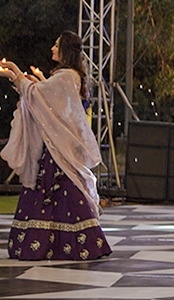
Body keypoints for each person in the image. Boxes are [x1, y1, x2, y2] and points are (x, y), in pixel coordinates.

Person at [1, 32, 110, 261]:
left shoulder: (67, 76)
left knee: (62, 190)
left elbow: (38, 95)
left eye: (56, 45)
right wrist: (17, 77)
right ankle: (58, 243)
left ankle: (74, 243)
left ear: (65, 50)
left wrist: (13, 70)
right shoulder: (67, 76)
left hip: (58, 147)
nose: (52, 48)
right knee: (57, 191)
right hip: (54, 145)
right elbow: (42, 96)